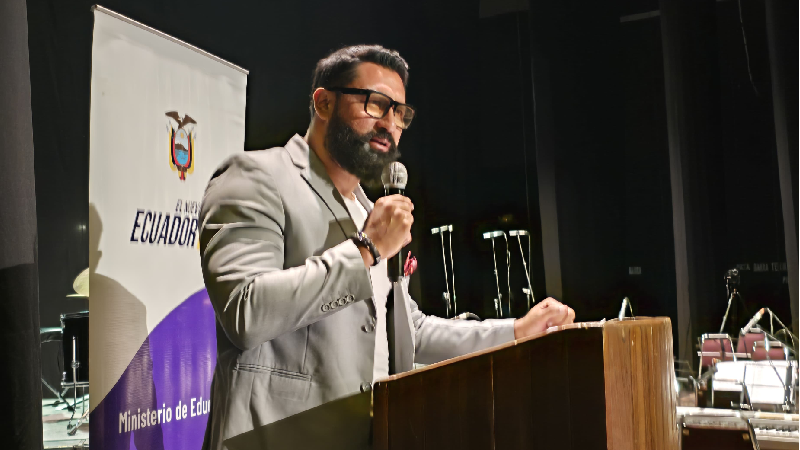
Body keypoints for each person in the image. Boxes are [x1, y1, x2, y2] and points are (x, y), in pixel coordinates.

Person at [199, 44, 575, 450]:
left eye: (399, 113)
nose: (390, 124)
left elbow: (411, 331)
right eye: (376, 104)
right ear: (324, 103)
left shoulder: (367, 210)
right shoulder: (257, 177)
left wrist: (515, 332)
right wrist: (366, 249)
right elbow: (245, 312)